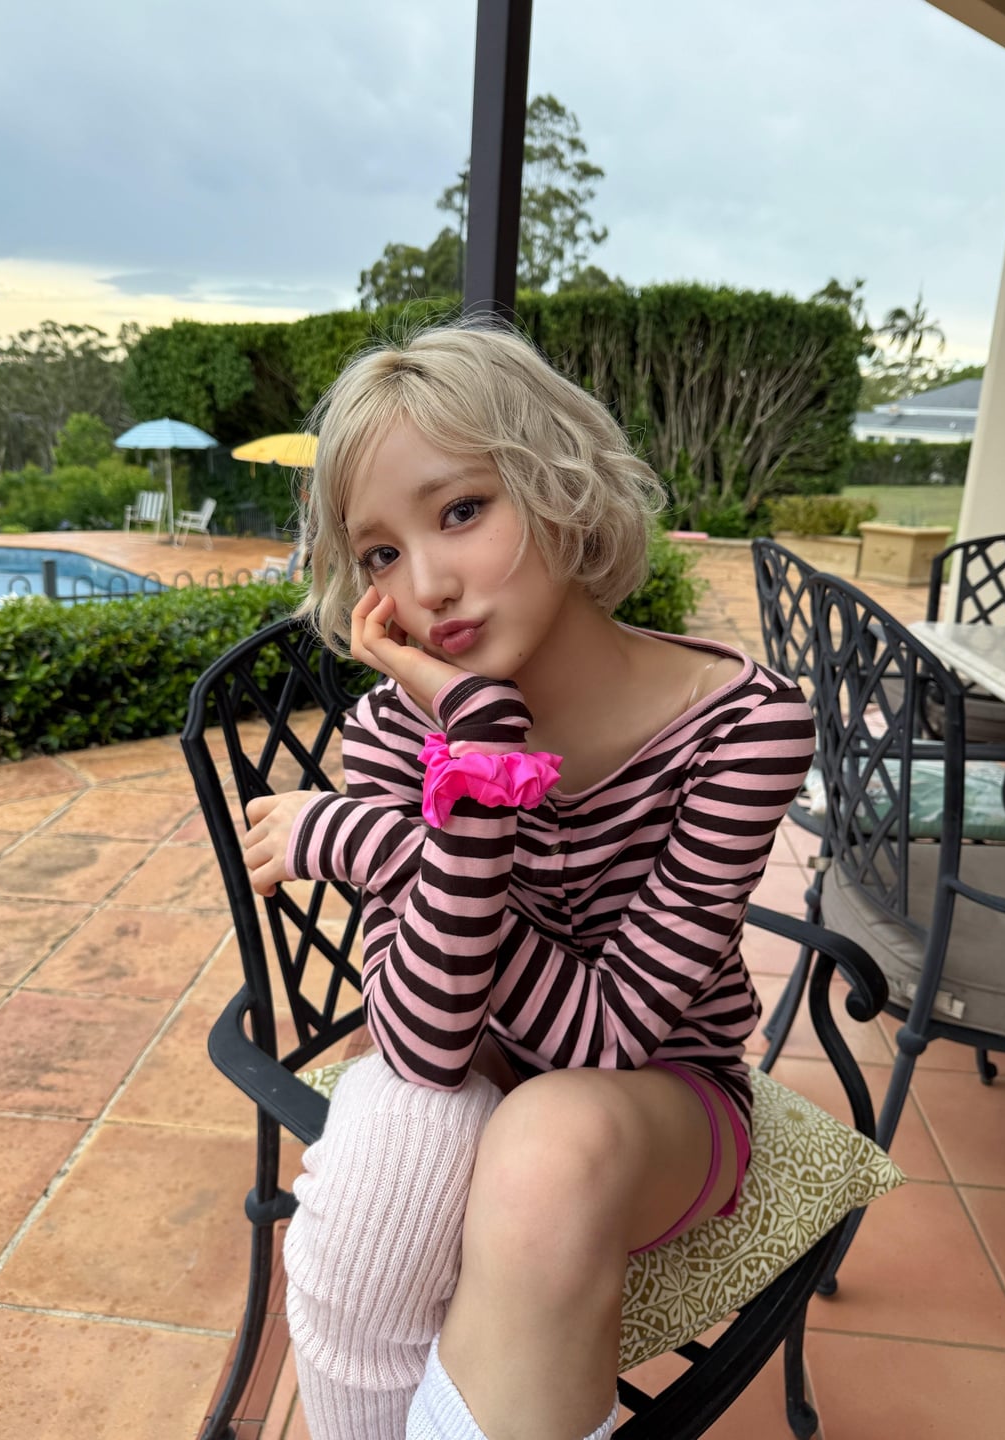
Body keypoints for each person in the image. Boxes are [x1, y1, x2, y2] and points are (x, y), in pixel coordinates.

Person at [241, 322, 815, 1440]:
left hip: (660, 1097)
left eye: (461, 510)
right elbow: (424, 1044)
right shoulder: (392, 731)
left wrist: (369, 838)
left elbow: (608, 1035)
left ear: (561, 489)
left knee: (546, 1143)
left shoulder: (745, 726)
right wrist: (475, 745)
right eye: (380, 555)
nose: (428, 585)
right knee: (393, 1133)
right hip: (475, 1060)